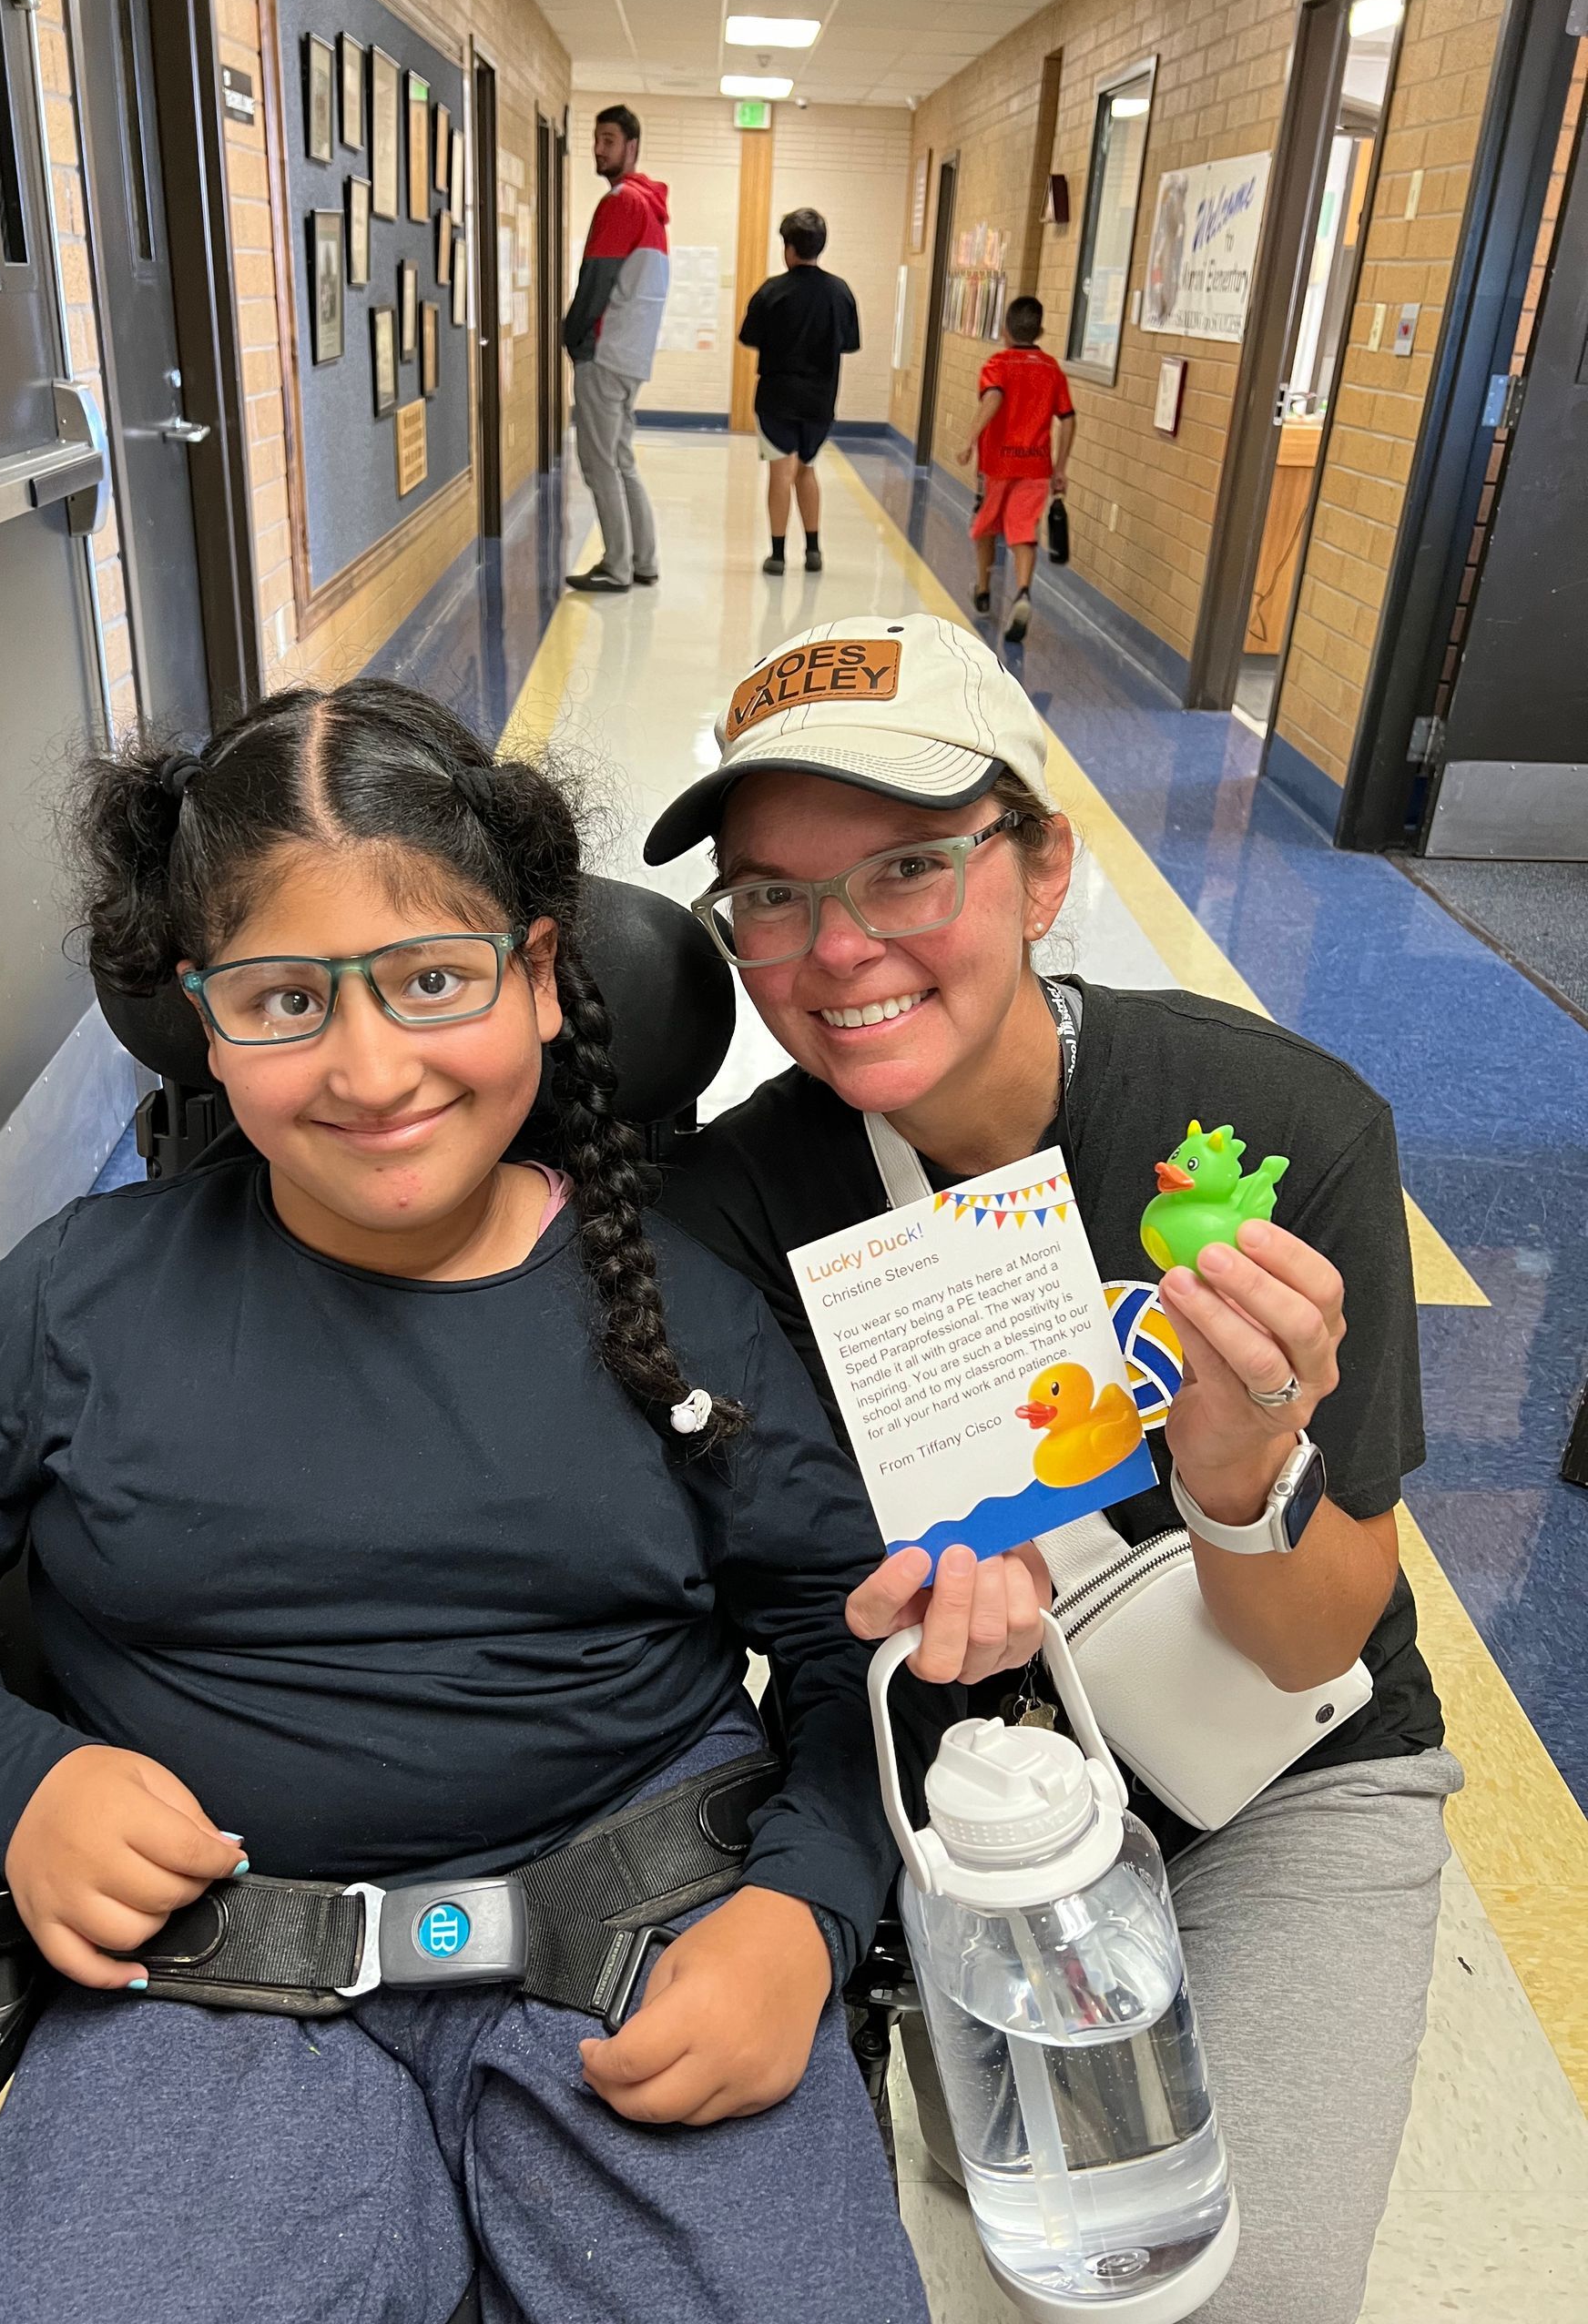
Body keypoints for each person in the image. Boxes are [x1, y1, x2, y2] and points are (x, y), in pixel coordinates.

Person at [0, 682, 932, 2324]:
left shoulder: (682, 1305)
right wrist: (20, 1785)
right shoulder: (80, 1305)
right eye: (284, 999)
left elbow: (862, 1652)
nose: (369, 1069)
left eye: (433, 980)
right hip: (202, 1974)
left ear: (544, 978)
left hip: (654, 1934)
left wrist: (807, 1913)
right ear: (203, 1017)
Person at [646, 612, 1462, 2324]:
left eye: (907, 870)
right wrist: (852, 1619)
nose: (836, 947)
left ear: (1042, 870)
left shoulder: (1279, 1135)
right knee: (1036, 2269)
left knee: (1252, 2294)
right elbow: (757, 1595)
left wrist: (1236, 1471)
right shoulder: (731, 1209)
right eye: (772, 895)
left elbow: (1321, 1643)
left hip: (1283, 1775)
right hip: (968, 1785)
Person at [562, 105, 669, 595]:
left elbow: (596, 280)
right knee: (621, 459)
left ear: (632, 146)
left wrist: (572, 336)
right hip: (632, 355)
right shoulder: (651, 207)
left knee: (599, 462)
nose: (598, 149)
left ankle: (617, 566)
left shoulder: (621, 202)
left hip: (604, 352)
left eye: (608, 139)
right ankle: (643, 560)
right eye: (595, 139)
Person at [738, 208, 860, 576]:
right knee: (806, 469)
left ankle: (777, 555)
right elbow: (849, 344)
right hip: (821, 400)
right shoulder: (840, 292)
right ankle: (813, 550)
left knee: (780, 473)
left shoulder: (771, 291)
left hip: (777, 398)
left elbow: (748, 338)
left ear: (789, 248)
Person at [956, 294, 1074, 639]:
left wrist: (969, 439)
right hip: (1037, 467)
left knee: (985, 527)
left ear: (1005, 330)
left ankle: (982, 590)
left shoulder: (997, 364)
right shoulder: (1052, 369)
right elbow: (1067, 419)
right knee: (1023, 531)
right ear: (1040, 330)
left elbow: (994, 397)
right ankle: (1022, 592)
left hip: (998, 465)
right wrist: (1061, 468)